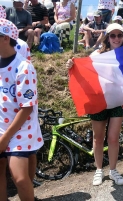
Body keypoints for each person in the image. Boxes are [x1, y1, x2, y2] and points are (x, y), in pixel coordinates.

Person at [66, 23, 123, 186]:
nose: (116, 38)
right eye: (113, 35)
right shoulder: (96, 54)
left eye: (119, 35)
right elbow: (84, 74)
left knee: (113, 138)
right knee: (98, 138)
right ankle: (99, 170)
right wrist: (72, 67)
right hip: (99, 101)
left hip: (117, 103)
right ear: (107, 37)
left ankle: (113, 170)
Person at [0, 18, 43, 201]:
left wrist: (5, 138)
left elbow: (26, 108)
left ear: (5, 38)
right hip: (1, 126)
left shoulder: (23, 66)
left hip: (19, 130)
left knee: (19, 178)